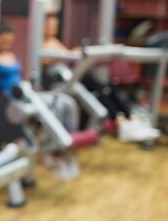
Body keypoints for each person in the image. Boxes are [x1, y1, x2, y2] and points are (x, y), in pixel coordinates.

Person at [41, 14, 160, 143]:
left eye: (55, 26)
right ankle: (121, 123)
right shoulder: (42, 44)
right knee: (100, 91)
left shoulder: (55, 42)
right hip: (60, 81)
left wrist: (73, 52)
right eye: (50, 25)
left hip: (70, 76)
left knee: (107, 88)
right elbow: (47, 59)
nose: (53, 28)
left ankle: (130, 119)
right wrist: (66, 54)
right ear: (43, 26)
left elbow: (65, 55)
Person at [0, 21, 80, 180]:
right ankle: (52, 148)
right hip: (10, 99)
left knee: (66, 101)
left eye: (10, 41)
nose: (7, 45)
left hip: (26, 93)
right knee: (53, 107)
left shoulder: (11, 55)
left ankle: (63, 147)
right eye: (4, 41)